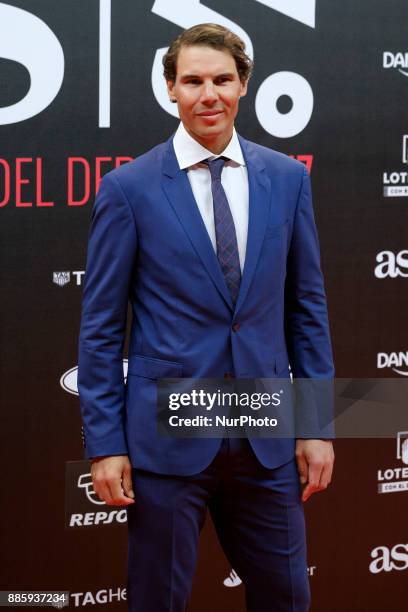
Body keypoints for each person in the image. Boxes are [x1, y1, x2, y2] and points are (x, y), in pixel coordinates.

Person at [78, 23, 335, 612]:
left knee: (288, 599)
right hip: (166, 441)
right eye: (192, 81)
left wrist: (317, 425)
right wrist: (106, 444)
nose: (208, 94)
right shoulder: (129, 188)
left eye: (221, 79)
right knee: (157, 602)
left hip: (265, 437)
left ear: (243, 85)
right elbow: (99, 328)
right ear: (170, 89)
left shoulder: (289, 179)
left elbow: (307, 308)